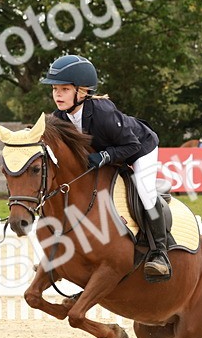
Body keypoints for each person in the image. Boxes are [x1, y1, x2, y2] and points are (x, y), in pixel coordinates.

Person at [41, 54, 170, 281]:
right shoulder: (60, 117)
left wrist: (105, 156)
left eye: (63, 89)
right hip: (110, 153)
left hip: (140, 148)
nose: (57, 95)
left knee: (145, 191)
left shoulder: (102, 112)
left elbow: (132, 145)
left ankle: (160, 252)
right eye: (55, 90)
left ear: (81, 92)